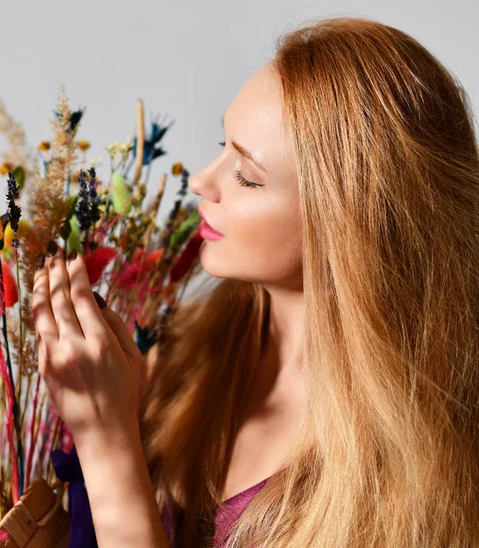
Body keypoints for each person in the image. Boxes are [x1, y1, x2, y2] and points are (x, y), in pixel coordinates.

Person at [32, 16, 479, 547]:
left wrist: (106, 441)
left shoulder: (420, 480)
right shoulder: (183, 349)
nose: (202, 181)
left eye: (246, 175)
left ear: (347, 224)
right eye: (224, 144)